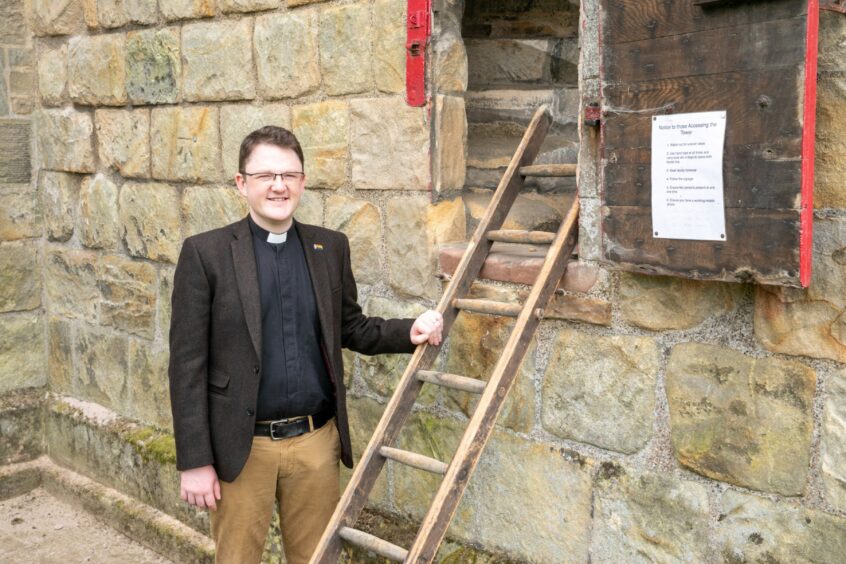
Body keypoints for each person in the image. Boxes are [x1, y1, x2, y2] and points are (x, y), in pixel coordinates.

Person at [168, 126, 443, 564]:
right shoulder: (206, 254)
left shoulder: (329, 247)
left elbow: (351, 327)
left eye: (289, 175)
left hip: (316, 444)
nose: (279, 185)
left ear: (303, 180)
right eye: (265, 175)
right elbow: (187, 365)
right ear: (242, 184)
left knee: (317, 559)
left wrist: (408, 331)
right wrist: (195, 460)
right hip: (241, 447)